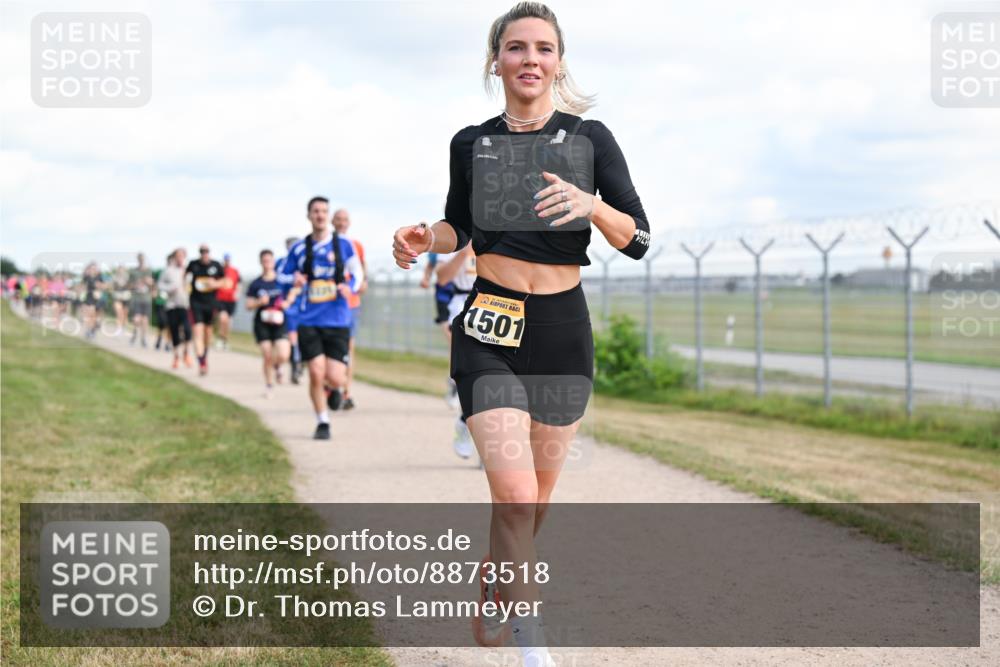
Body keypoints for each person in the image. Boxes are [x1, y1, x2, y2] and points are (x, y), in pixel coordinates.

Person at [390, 3, 650, 664]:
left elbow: (640, 238)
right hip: (489, 326)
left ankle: (499, 572)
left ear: (558, 62)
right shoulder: (469, 143)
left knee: (533, 503)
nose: (529, 58)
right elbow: (458, 228)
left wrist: (592, 205)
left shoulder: (590, 141)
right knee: (514, 493)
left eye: (542, 47)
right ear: (495, 61)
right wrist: (426, 237)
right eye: (515, 47)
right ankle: (534, 646)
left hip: (563, 332)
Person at [279, 196, 364, 440]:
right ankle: (322, 421)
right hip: (309, 320)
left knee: (336, 377)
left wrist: (351, 288)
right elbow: (281, 277)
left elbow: (357, 272)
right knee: (316, 372)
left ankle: (333, 389)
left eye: (324, 211)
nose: (320, 215)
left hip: (337, 319)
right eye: (316, 211)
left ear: (328, 216)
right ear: (309, 216)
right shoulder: (298, 249)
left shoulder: (343, 245)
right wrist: (294, 279)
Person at [433, 245, 479, 458]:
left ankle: (466, 419)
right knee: (474, 370)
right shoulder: (454, 239)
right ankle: (465, 421)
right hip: (463, 306)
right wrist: (464, 251)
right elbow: (442, 278)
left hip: (499, 307)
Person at [332, 208, 368, 410]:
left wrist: (364, 283)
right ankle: (333, 385)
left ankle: (346, 392)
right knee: (332, 347)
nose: (342, 222)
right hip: (330, 304)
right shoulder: (327, 243)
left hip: (351, 304)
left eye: (345, 219)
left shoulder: (356, 245)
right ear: (332, 221)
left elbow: (362, 270)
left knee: (348, 348)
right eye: (338, 219)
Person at [245, 249, 291, 398]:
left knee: (284, 354)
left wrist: (287, 302)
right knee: (267, 354)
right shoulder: (256, 283)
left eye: (269, 261)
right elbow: (248, 305)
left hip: (279, 321)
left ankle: (278, 365)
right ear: (260, 262)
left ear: (273, 262)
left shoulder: (281, 281)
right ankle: (269, 385)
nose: (267, 264)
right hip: (262, 322)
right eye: (264, 261)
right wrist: (259, 302)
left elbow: (294, 292)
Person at [185, 245, 225, 375]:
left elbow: (225, 281)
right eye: (202, 252)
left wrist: (215, 284)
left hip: (210, 303)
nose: (204, 254)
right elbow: (184, 277)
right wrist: (185, 288)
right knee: (197, 332)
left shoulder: (216, 265)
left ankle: (204, 356)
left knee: (208, 334)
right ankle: (201, 362)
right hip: (196, 302)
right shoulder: (193, 264)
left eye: (206, 252)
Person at [159, 248, 193, 369]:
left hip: (185, 305)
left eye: (182, 256)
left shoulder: (188, 271)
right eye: (178, 256)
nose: (180, 258)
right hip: (172, 305)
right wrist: (170, 288)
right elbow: (160, 285)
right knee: (174, 332)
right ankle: (176, 357)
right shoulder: (168, 271)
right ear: (174, 257)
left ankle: (186, 353)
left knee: (188, 331)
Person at [279, 236, 304, 384]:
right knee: (293, 337)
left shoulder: (305, 261)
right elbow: (278, 280)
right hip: (290, 306)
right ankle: (296, 366)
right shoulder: (283, 264)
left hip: (307, 305)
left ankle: (300, 362)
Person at [214, 253, 240, 351]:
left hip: (231, 300)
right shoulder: (219, 271)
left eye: (228, 260)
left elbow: (238, 283)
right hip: (220, 298)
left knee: (228, 322)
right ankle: (220, 339)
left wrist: (237, 292)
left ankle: (225, 340)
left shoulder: (235, 271)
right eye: (225, 260)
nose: (227, 261)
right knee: (222, 318)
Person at [129, 252, 154, 347]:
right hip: (136, 298)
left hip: (146, 299)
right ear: (138, 260)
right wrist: (136, 284)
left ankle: (143, 338)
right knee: (136, 319)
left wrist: (149, 283)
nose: (141, 261)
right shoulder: (133, 271)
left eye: (143, 259)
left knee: (145, 320)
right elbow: (129, 285)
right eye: (140, 259)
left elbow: (152, 284)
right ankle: (135, 333)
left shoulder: (149, 271)